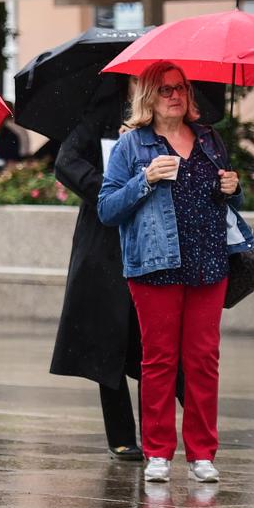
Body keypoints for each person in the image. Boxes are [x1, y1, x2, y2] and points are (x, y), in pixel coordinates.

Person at [99, 62, 250, 485]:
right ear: (148, 96)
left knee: (203, 360)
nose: (175, 95)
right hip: (154, 266)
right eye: (165, 89)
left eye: (181, 88)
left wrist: (234, 188)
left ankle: (202, 452)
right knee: (160, 360)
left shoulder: (210, 140)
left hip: (210, 261)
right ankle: (159, 452)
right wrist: (144, 179)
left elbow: (230, 200)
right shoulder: (132, 146)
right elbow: (106, 209)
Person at [50, 80, 145, 461]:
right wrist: (110, 186)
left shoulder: (168, 120)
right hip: (105, 242)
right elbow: (67, 163)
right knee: (110, 338)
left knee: (154, 342)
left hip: (153, 239)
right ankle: (121, 435)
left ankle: (165, 434)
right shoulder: (102, 116)